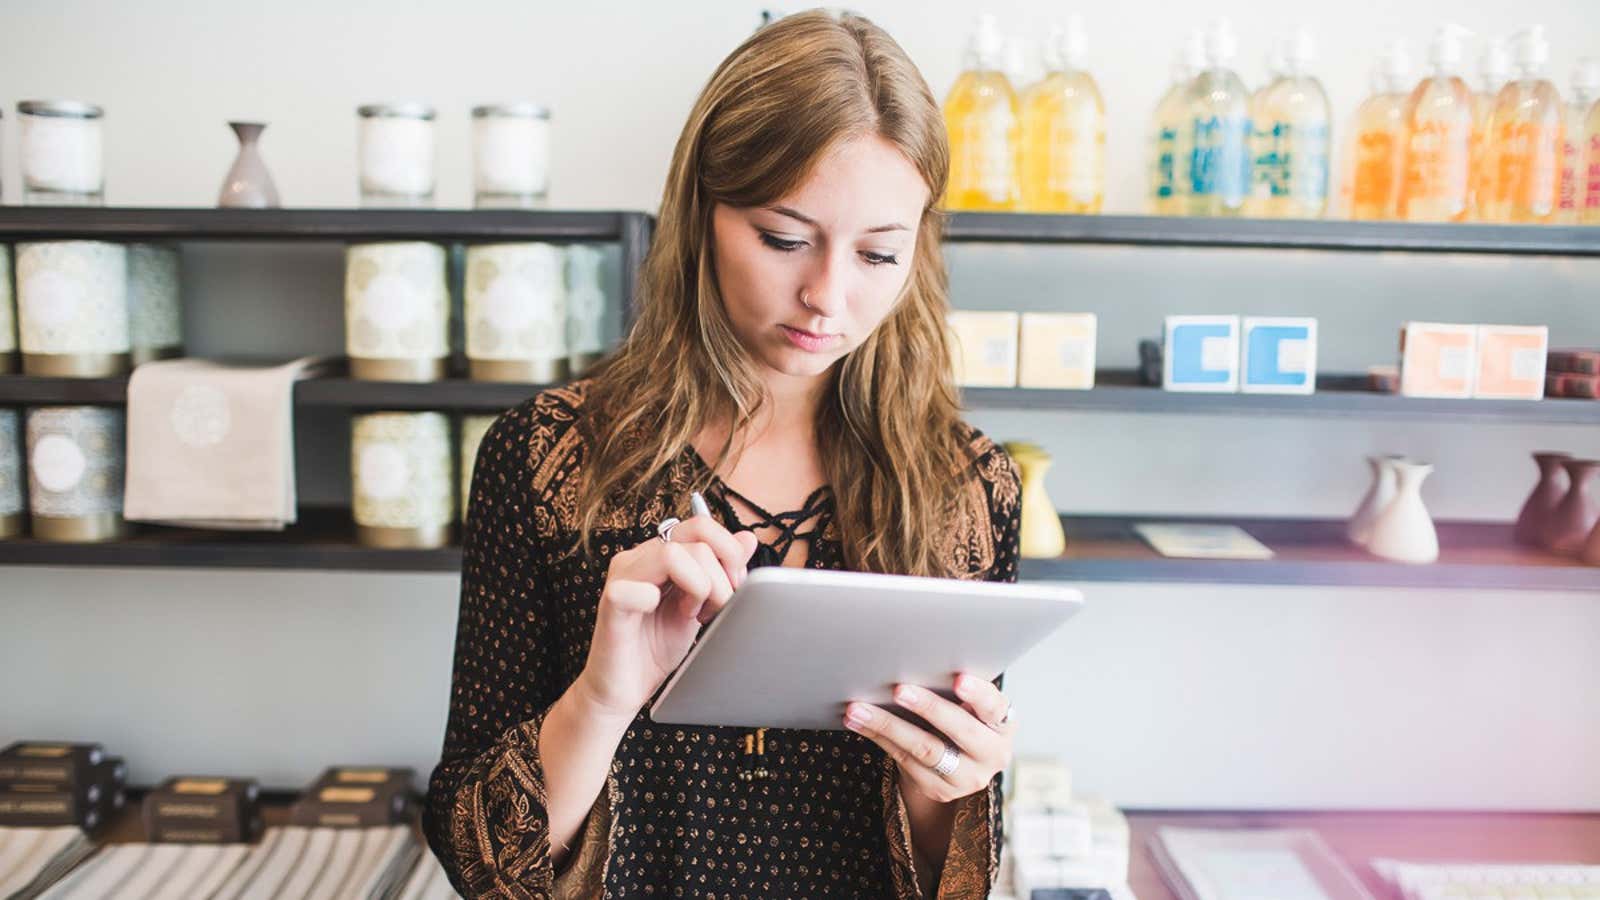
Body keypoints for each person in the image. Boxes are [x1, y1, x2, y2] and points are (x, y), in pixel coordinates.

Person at [423, 9, 1022, 898]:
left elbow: (956, 867)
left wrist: (951, 788)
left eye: (879, 254)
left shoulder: (966, 489)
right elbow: (474, 855)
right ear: (701, 211)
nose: (828, 297)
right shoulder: (548, 457)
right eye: (784, 239)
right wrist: (601, 697)